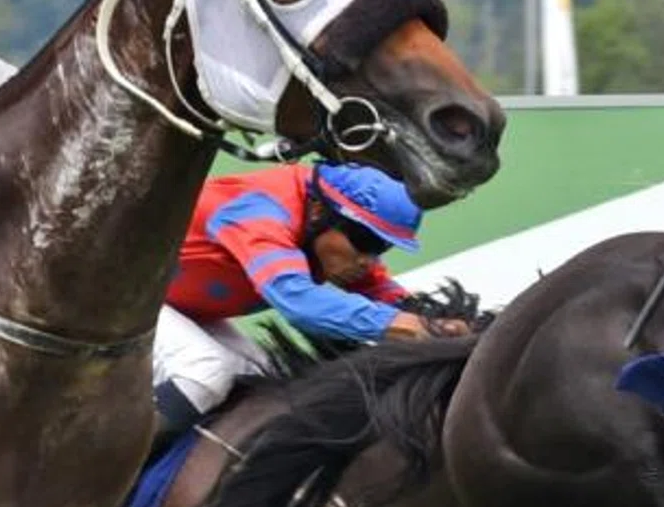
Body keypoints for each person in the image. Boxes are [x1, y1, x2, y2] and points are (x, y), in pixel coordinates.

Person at [151, 162, 468, 444]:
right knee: (205, 370)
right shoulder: (260, 212)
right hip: (117, 298)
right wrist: (405, 328)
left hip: (179, 306)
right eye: (364, 242)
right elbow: (301, 303)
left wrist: (431, 318)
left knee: (261, 376)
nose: (368, 260)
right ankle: (106, 477)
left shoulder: (324, 223)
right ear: (318, 210)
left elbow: (380, 289)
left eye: (381, 247)